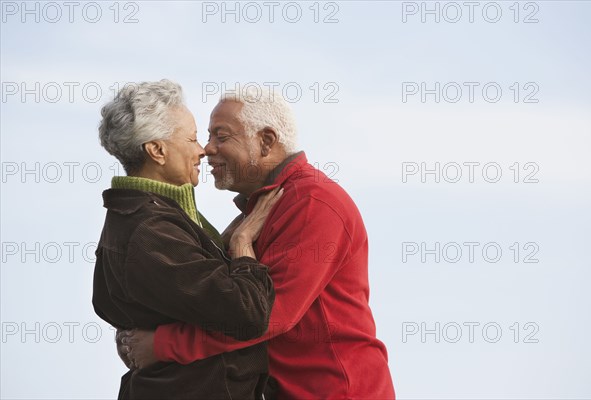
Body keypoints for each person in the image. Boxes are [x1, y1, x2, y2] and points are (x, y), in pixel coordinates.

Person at [120, 87, 396, 399]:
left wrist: (161, 345)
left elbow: (264, 316)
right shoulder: (266, 207)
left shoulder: (313, 203)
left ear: (265, 141)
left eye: (220, 136)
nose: (207, 149)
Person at [92, 79, 282, 399]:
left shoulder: (157, 217)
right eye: (193, 138)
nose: (202, 150)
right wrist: (243, 243)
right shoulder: (147, 231)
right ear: (157, 150)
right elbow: (247, 313)